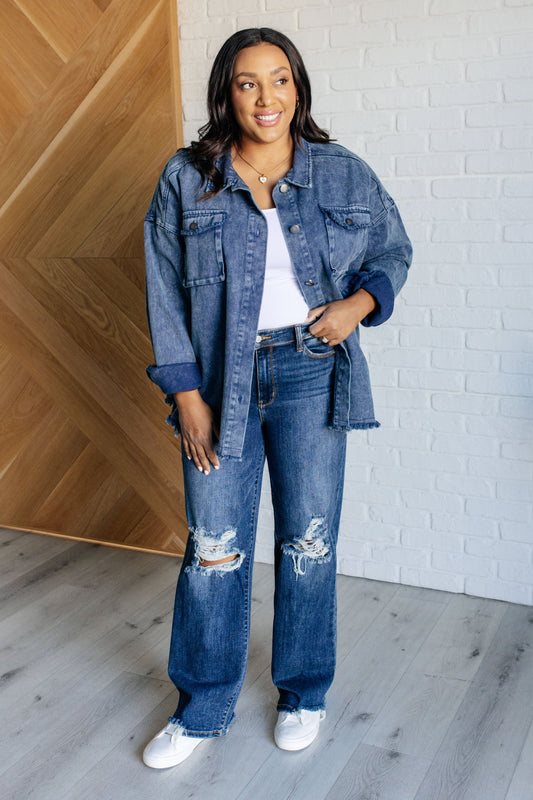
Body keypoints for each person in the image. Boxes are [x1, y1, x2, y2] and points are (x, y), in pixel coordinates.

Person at [142, 27, 412, 769]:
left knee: (307, 544)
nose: (266, 98)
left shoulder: (341, 172)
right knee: (214, 547)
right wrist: (186, 395)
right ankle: (202, 707)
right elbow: (162, 287)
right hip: (217, 381)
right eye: (247, 82)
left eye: (280, 79)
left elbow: (393, 250)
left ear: (298, 88)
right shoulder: (186, 177)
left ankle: (303, 693)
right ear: (226, 94)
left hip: (311, 372)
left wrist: (356, 306)